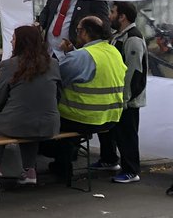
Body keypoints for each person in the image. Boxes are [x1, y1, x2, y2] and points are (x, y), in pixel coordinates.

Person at [41, 15, 126, 181]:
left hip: (84, 117)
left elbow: (55, 77)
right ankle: (64, 160)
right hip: (111, 117)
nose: (76, 34)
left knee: (46, 117)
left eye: (78, 30)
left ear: (85, 32)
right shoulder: (112, 51)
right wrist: (72, 53)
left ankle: (62, 165)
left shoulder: (82, 56)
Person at [0, 24, 61, 185]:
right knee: (31, 120)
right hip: (49, 125)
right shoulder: (53, 64)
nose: (12, 42)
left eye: (13, 39)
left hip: (18, 124)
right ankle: (29, 170)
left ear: (20, 42)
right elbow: (58, 94)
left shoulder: (9, 65)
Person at [97, 1, 148, 184]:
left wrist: (125, 98)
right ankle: (109, 159)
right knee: (112, 132)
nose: (109, 16)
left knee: (127, 135)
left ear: (122, 16)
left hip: (128, 100)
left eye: (112, 12)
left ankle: (131, 170)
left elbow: (134, 73)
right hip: (117, 97)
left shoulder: (132, 38)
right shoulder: (118, 35)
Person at [37, 0, 109, 57]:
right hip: (49, 51)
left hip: (73, 54)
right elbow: (46, 11)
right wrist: (40, 25)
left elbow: (104, 27)